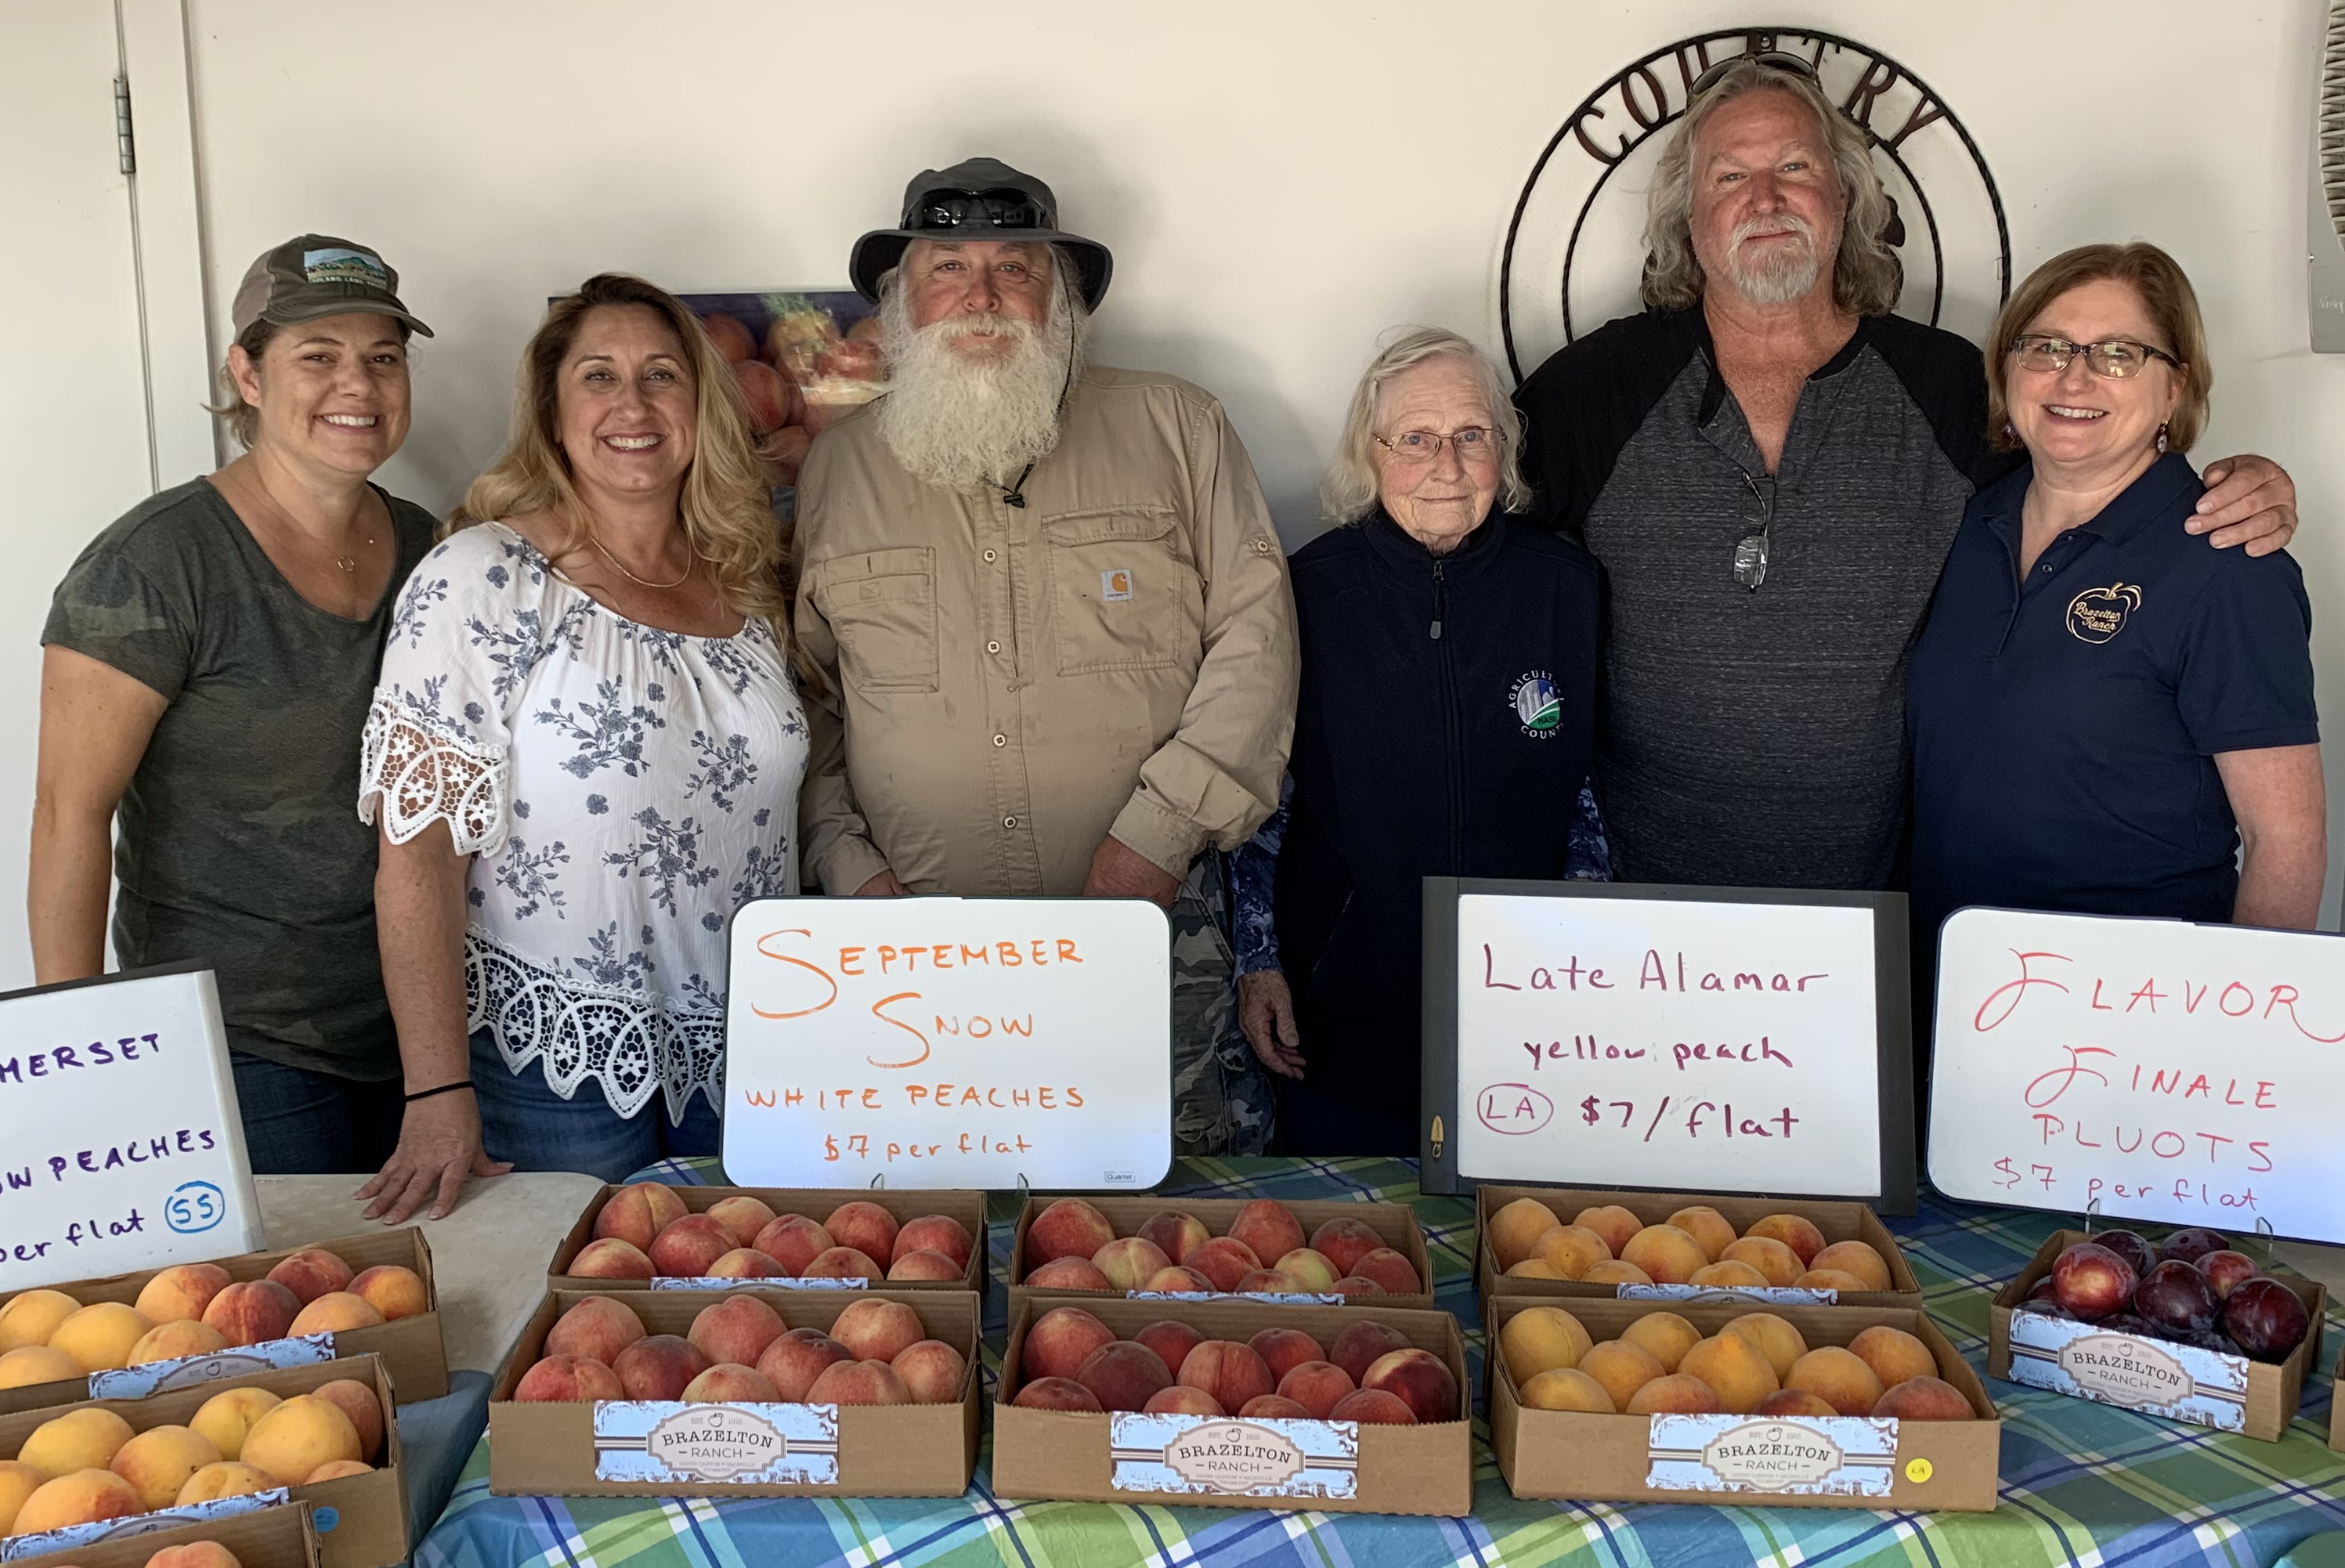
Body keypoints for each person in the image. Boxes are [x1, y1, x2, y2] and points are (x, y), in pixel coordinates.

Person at [1511, 54, 2297, 893]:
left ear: (1846, 198)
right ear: (1689, 217)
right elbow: (1461, 528)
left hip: (1884, 922)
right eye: (1730, 175)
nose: (1765, 199)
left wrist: (2244, 481)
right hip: (1644, 908)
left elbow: (2094, 474)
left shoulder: (1947, 387)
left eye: (1795, 167)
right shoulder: (1593, 390)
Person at [797, 157, 1297, 1156]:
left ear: (1061, 298)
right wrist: (850, 872)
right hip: (916, 968)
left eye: (1014, 269)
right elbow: (808, 705)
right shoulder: (836, 469)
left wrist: (1157, 836)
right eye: (946, 269)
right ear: (902, 302)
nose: (980, 298)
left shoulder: (1177, 425)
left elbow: (1258, 640)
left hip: (1148, 932)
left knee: (1158, 1247)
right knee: (931, 1229)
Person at [357, 273, 809, 1213]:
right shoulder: (483, 577)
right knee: (572, 1341)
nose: (633, 404)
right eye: (598, 377)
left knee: (743, 1333)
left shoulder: (750, 579)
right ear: (554, 417)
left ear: (701, 407)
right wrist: (436, 1091)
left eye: (661, 375)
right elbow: (418, 849)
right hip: (556, 1062)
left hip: (755, 1055)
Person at [32, 234, 438, 1176]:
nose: (359, 385)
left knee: (424, 1312)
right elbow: (67, 816)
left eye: (384, 357)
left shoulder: (430, 548)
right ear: (246, 375)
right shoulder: (153, 564)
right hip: (239, 1046)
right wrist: (75, 1065)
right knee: (286, 1318)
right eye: (318, 356)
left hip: (416, 1033)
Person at [1228, 330, 1606, 1155]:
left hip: (1527, 1008)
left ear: (1503, 451)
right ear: (1371, 453)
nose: (1448, 463)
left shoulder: (1565, 588)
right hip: (1342, 999)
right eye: (1417, 438)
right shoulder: (1306, 592)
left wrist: (1589, 963)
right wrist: (1257, 961)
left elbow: (1589, 792)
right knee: (1353, 1249)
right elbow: (1260, 797)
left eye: (1472, 435)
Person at [1908, 243, 2323, 938]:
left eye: (2119, 354)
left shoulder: (2228, 565)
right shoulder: (1967, 523)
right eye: (2045, 348)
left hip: (2127, 1010)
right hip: (1950, 984)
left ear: (2177, 387)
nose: (2074, 379)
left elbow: (2285, 842)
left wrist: (2241, 1035)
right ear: (2007, 369)